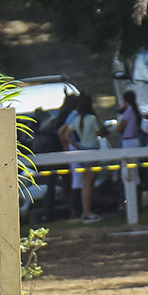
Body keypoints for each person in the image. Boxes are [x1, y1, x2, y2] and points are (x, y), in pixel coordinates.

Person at [60, 92, 104, 223]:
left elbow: (66, 135)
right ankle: (86, 213)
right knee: (89, 183)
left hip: (83, 151)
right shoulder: (91, 118)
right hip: (92, 151)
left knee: (86, 183)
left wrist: (76, 145)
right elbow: (100, 133)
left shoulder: (76, 119)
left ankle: (86, 211)